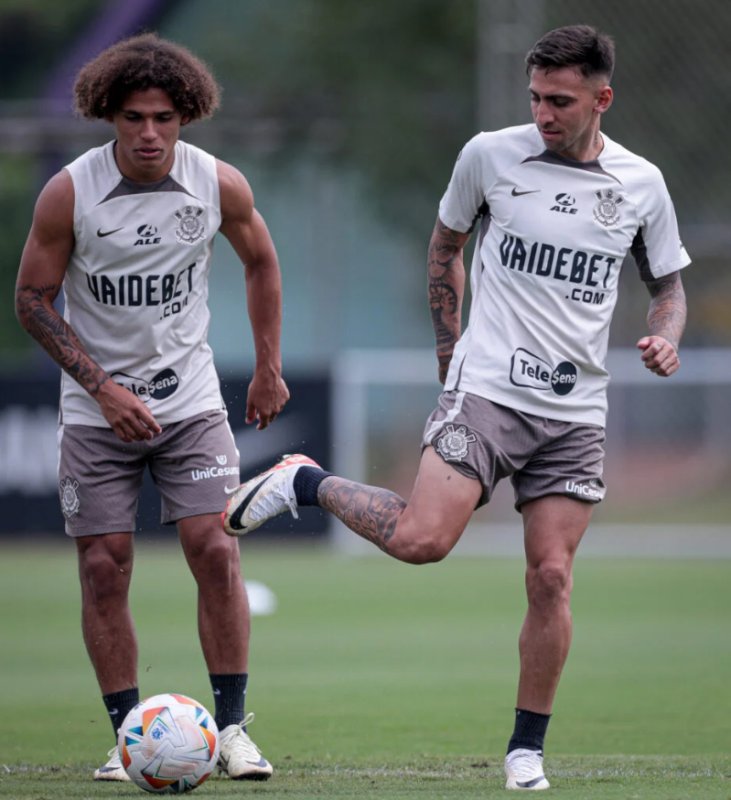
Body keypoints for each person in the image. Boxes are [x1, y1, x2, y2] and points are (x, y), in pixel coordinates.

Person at [222, 24, 690, 791]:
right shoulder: (487, 157)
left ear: (601, 99)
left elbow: (667, 286)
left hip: (575, 413)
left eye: (561, 101)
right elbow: (443, 249)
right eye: (535, 96)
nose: (543, 111)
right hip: (487, 391)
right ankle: (304, 481)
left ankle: (525, 751)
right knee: (420, 541)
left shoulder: (641, 185)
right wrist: (452, 361)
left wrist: (664, 336)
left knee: (549, 578)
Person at [14, 33, 288, 783]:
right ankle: (127, 736)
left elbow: (260, 260)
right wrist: (102, 387)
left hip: (191, 402)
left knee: (215, 549)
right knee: (104, 567)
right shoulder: (70, 191)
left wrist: (268, 367)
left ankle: (231, 731)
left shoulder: (217, 183)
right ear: (109, 115)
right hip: (96, 408)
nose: (148, 133)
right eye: (133, 117)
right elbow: (31, 300)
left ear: (186, 116)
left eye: (163, 118)